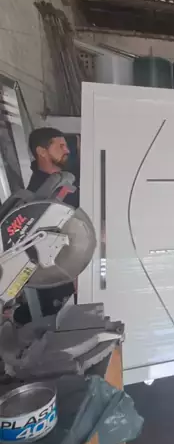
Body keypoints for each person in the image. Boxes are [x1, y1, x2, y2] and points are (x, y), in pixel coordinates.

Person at [14, 127, 78, 324]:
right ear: (41, 151)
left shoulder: (63, 182)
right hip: (57, 274)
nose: (67, 150)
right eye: (60, 146)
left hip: (71, 269)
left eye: (66, 145)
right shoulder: (40, 193)